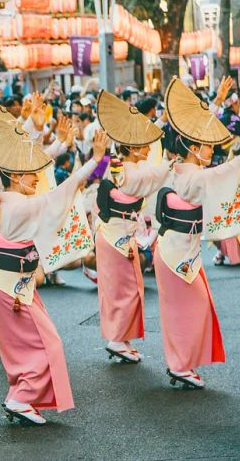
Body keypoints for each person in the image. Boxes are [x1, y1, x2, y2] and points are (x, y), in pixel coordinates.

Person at [0, 102, 110, 424]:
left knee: (30, 345)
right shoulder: (18, 205)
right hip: (13, 292)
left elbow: (44, 177)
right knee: (47, 341)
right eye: (31, 175)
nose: (37, 179)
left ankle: (20, 396)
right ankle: (21, 398)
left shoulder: (9, 198)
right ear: (17, 177)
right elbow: (60, 193)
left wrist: (60, 144)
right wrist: (93, 159)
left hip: (12, 286)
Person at [155, 77, 240, 389]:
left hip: (176, 247)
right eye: (206, 146)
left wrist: (215, 104)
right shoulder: (197, 177)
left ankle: (180, 363)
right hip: (176, 252)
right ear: (193, 149)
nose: (211, 149)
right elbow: (233, 164)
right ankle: (180, 365)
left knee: (187, 307)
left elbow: (194, 132)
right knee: (191, 306)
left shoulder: (175, 167)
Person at [94, 90, 169, 363]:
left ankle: (120, 337)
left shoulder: (121, 165)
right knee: (123, 290)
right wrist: (174, 164)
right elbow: (154, 175)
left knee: (126, 288)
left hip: (116, 234)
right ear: (135, 148)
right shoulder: (130, 171)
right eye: (144, 145)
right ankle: (116, 339)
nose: (149, 149)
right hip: (117, 238)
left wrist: (159, 121)